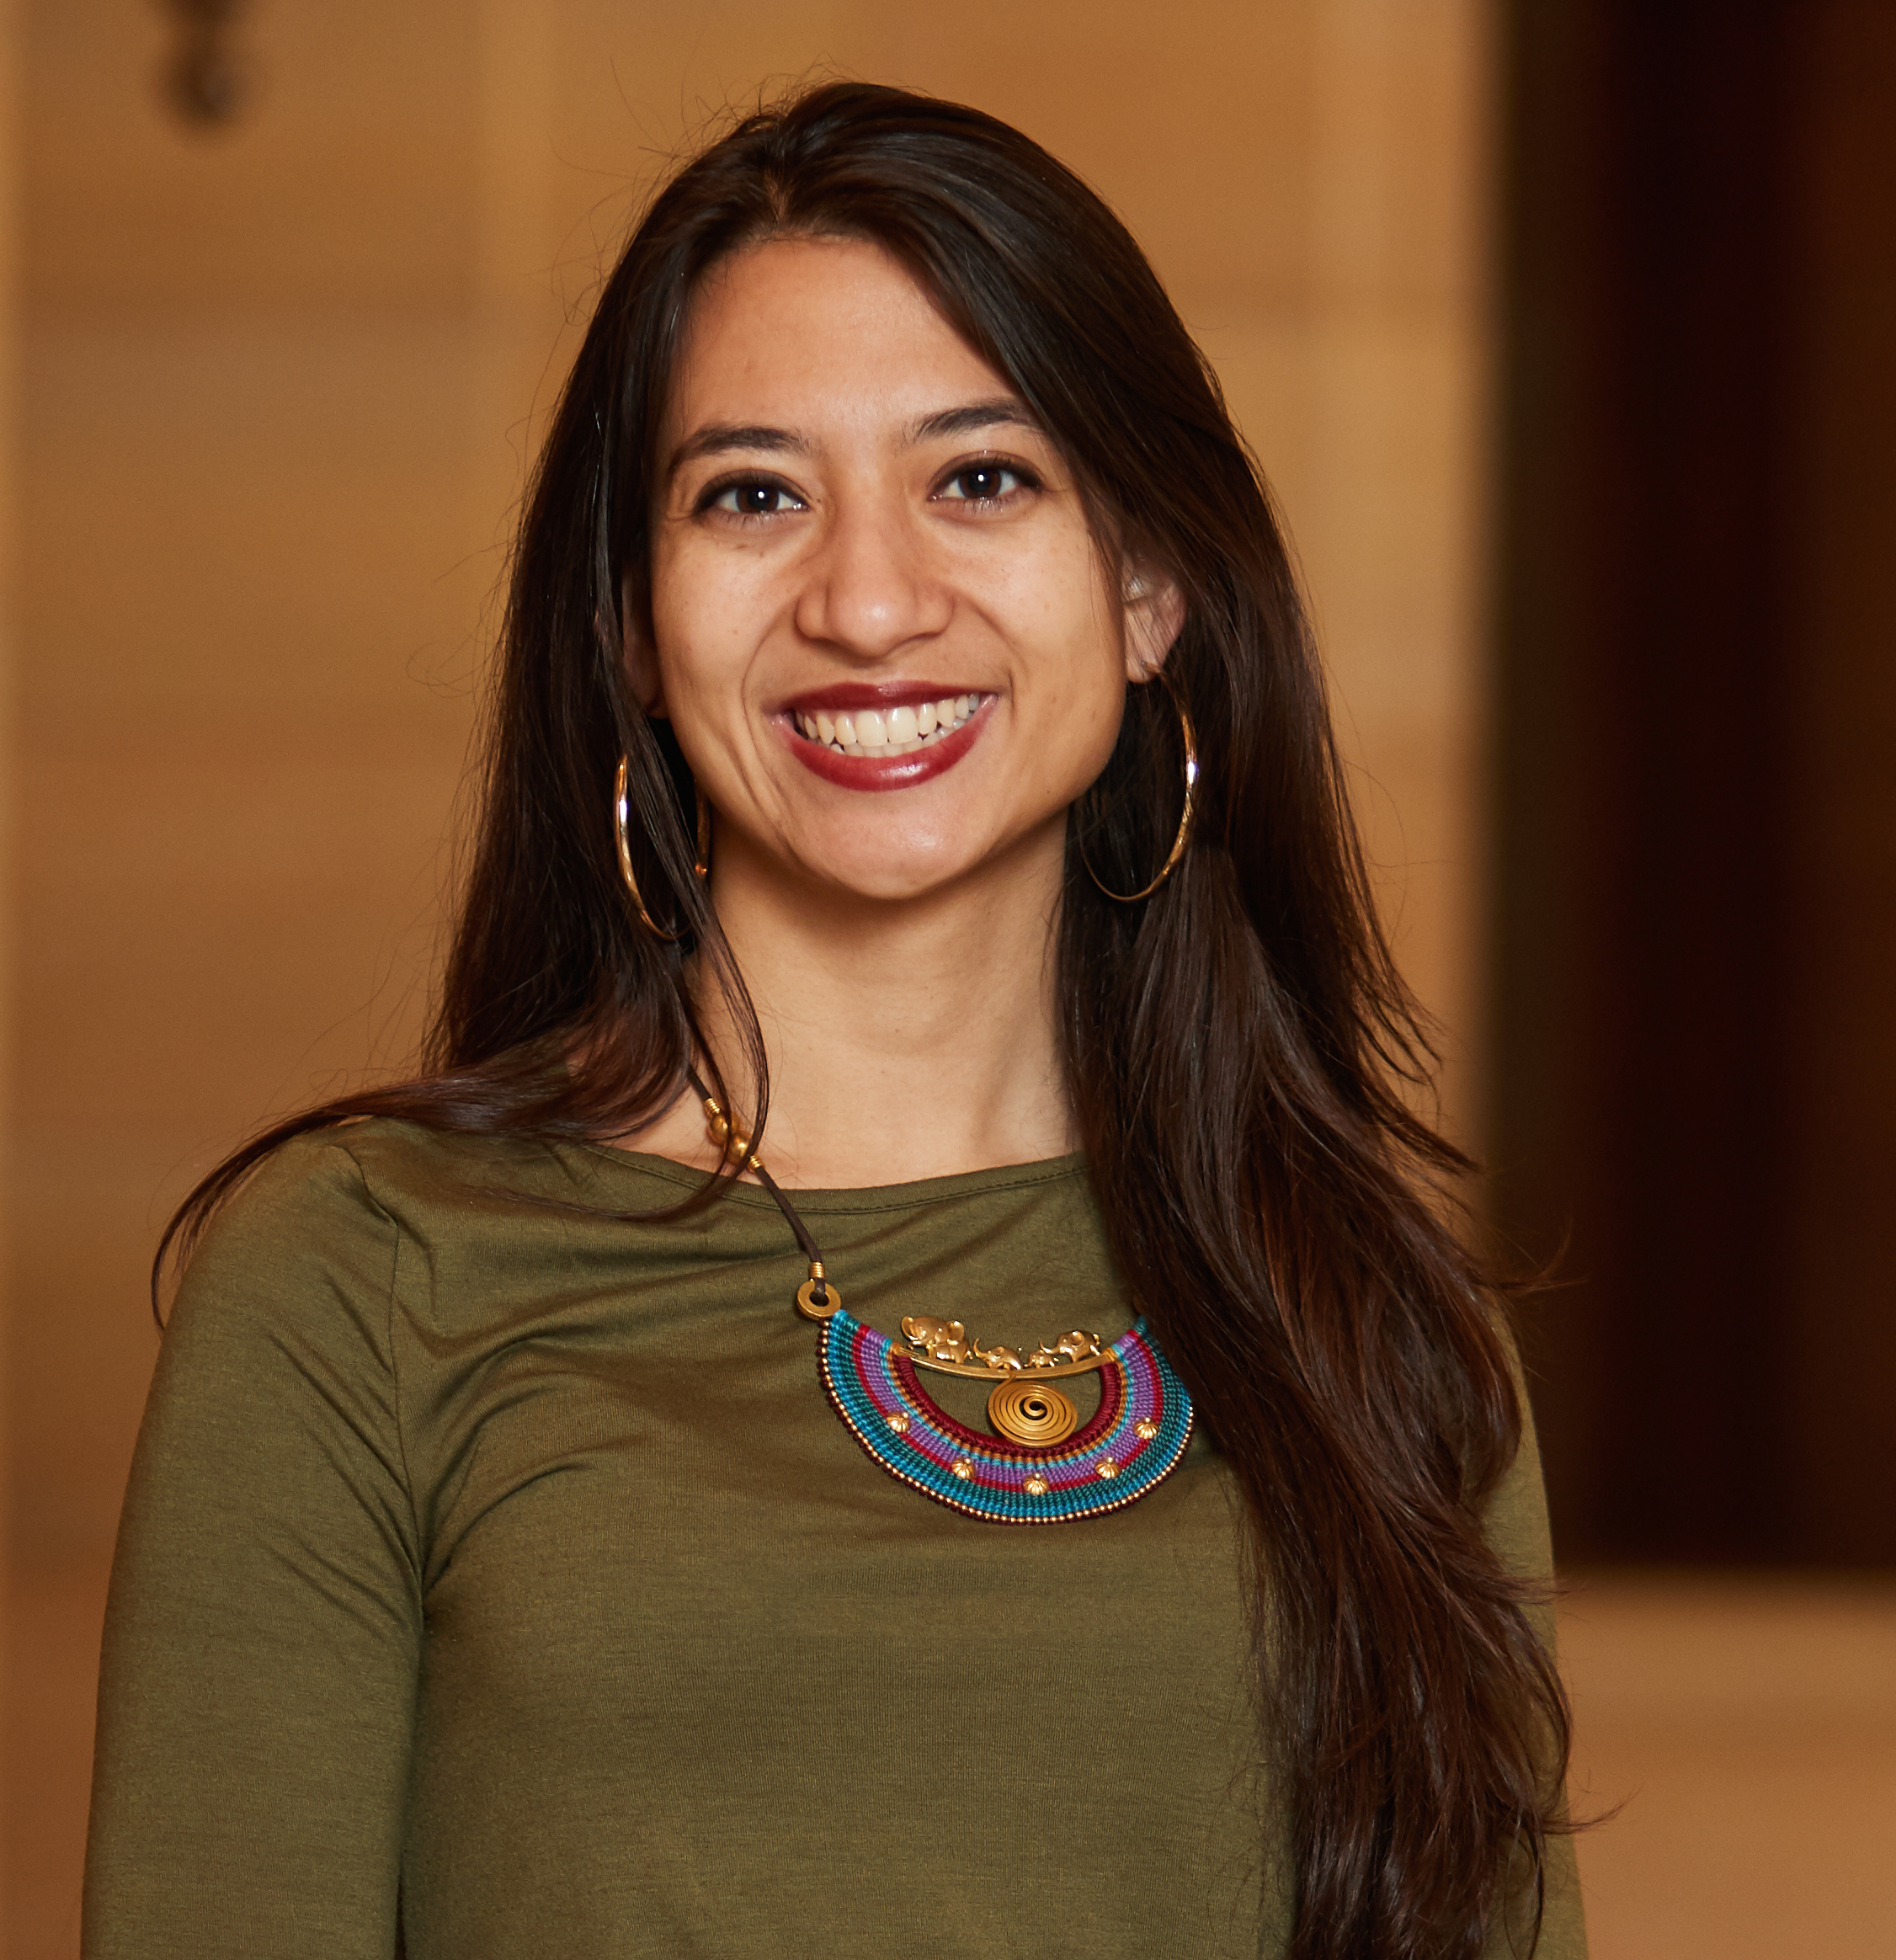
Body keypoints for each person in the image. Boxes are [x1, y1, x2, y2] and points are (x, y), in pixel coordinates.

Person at [83, 82, 1583, 1960]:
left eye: (979, 478)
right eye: (752, 495)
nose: (869, 601)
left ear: (1143, 587)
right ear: (630, 624)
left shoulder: (1376, 1329)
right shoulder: (362, 1280)